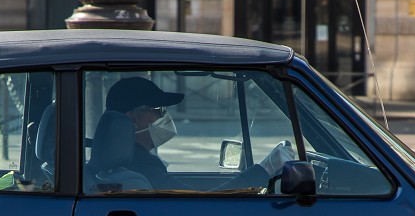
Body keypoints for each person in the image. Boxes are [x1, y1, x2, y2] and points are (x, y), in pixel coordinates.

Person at [97, 76, 294, 192]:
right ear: (132, 118)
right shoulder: (141, 165)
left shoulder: (124, 162)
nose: (164, 116)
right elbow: (206, 204)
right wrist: (264, 170)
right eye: (157, 109)